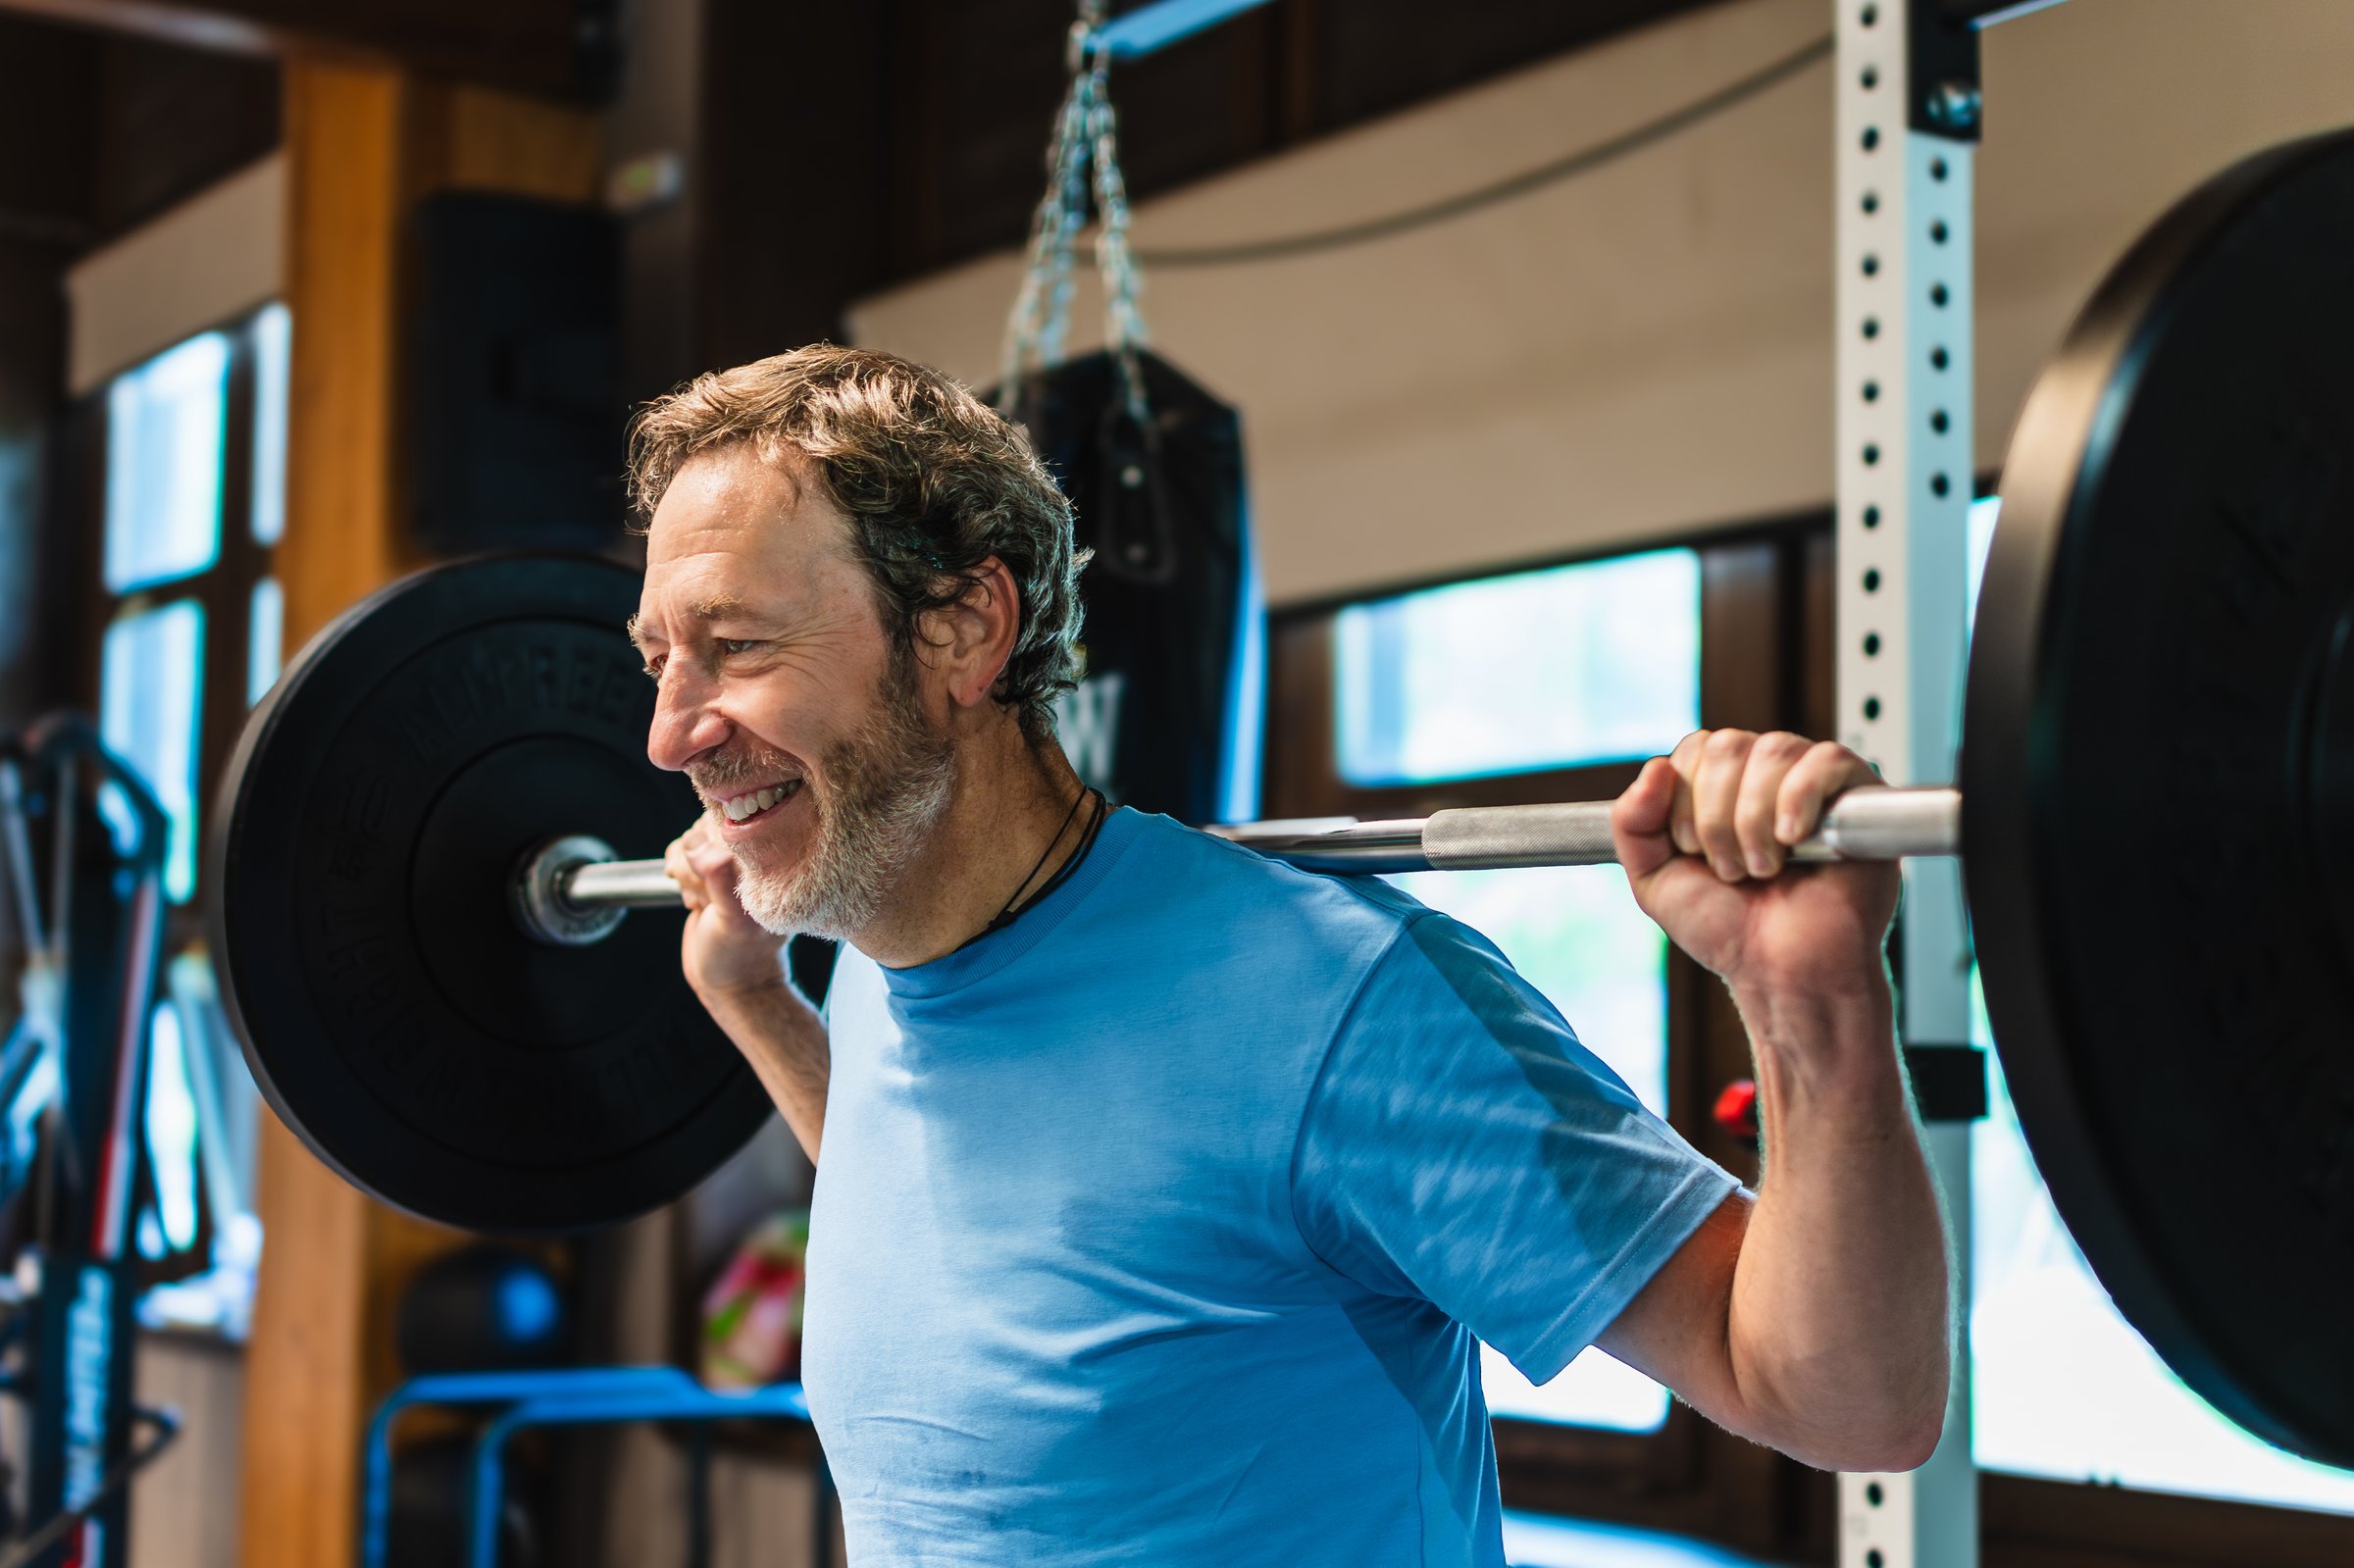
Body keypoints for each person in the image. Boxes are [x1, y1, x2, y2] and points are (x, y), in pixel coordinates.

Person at [632, 345, 1949, 1565]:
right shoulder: (876, 966)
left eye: (735, 646)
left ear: (967, 630)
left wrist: (1811, 1004)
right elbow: (971, 1231)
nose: (672, 732)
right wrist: (757, 1003)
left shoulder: (1332, 1000)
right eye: (659, 662)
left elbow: (1840, 1404)